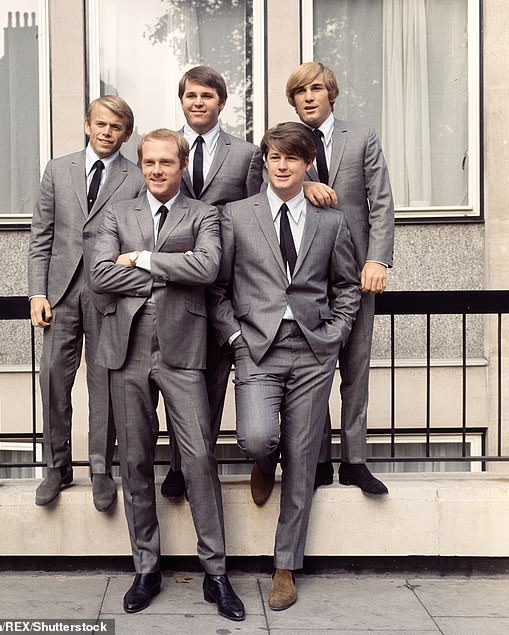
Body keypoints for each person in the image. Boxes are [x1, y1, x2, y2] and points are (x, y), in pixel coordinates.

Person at [88, 129, 245, 621]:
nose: (157, 170)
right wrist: (169, 270)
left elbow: (208, 267)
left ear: (182, 165)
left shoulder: (203, 214)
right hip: (128, 349)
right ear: (141, 166)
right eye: (149, 163)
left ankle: (216, 573)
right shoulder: (118, 213)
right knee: (134, 460)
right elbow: (99, 276)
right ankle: (146, 568)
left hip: (184, 350)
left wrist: (145, 258)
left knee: (199, 458)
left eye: (166, 162)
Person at [208, 122, 361, 610]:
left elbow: (347, 286)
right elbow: (217, 288)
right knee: (255, 435)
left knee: (302, 462)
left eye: (292, 158)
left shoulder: (330, 221)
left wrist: (335, 335)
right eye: (274, 156)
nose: (281, 165)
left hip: (313, 350)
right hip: (257, 346)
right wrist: (235, 336)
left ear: (307, 163)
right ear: (266, 160)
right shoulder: (236, 215)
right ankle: (260, 458)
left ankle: (284, 566)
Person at [28, 96, 144, 510]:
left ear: (126, 134)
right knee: (54, 379)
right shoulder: (58, 170)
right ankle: (56, 467)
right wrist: (37, 293)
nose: (106, 132)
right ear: (86, 124)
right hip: (60, 294)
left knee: (104, 384)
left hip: (108, 294)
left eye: (115, 126)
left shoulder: (136, 177)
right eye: (100, 123)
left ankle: (100, 470)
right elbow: (41, 235)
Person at [286, 62, 395, 495]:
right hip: (307, 275)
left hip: (355, 275)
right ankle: (316, 460)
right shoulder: (283, 141)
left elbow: (381, 202)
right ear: (292, 101)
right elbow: (268, 188)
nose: (309, 97)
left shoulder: (362, 136)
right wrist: (304, 187)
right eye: (300, 92)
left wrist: (377, 261)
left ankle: (354, 460)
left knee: (355, 367)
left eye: (316, 89)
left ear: (332, 93)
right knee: (312, 369)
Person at [161, 65, 264, 500]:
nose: (198, 102)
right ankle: (179, 464)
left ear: (221, 102)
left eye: (207, 95)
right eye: (190, 96)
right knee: (177, 374)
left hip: (224, 281)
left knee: (216, 375)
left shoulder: (244, 154)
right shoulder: (165, 150)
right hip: (177, 279)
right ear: (181, 101)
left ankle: (200, 463)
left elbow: (260, 210)